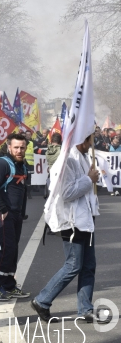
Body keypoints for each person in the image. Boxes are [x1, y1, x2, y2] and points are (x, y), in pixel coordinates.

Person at [32, 134, 107, 324]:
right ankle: (42, 300)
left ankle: (85, 309)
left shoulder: (83, 157)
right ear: (83, 139)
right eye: (91, 140)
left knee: (89, 266)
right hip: (71, 222)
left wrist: (93, 179)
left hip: (86, 220)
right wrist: (88, 180)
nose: (93, 144)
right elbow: (67, 193)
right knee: (73, 265)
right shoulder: (68, 160)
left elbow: (85, 189)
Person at [0, 133, 31, 301]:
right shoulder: (2, 164)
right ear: (9, 147)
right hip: (3, 212)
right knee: (8, 248)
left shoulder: (22, 165)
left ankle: (9, 285)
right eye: (16, 147)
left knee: (13, 249)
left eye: (22, 147)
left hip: (16, 213)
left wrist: (22, 212)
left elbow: (23, 190)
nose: (19, 150)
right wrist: (3, 210)